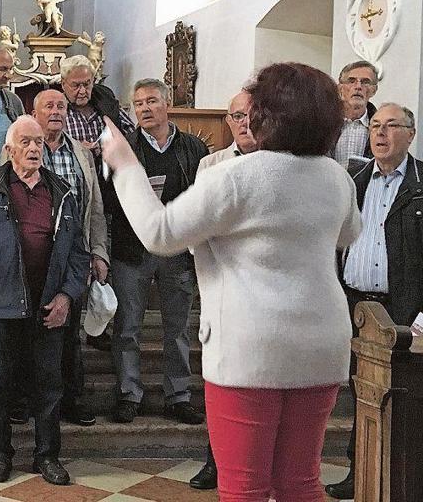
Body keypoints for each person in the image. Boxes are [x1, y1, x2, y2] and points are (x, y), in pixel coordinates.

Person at [100, 62, 361, 501]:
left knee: (244, 487)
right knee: (300, 482)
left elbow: (160, 233)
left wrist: (125, 163)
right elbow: (348, 233)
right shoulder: (335, 176)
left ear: (269, 114)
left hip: (251, 347)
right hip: (321, 344)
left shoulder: (235, 176)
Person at [0, 116, 90, 486]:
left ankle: (47, 456)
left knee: (49, 385)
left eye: (38, 143)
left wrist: (66, 296)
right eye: (25, 142)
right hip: (0, 304)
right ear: (10, 149)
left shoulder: (62, 192)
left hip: (48, 305)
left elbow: (79, 254)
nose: (33, 149)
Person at [326, 103, 423, 500]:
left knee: (404, 398)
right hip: (353, 306)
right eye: (375, 127)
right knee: (360, 391)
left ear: (410, 134)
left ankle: (403, 478)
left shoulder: (421, 182)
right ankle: (361, 469)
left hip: (401, 310)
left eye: (391, 126)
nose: (380, 134)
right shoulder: (355, 178)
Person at [109, 78, 207, 426]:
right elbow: (109, 200)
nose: (144, 109)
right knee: (127, 326)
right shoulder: (125, 147)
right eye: (138, 104)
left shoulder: (193, 148)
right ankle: (128, 393)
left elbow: (203, 198)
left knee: (177, 328)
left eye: (151, 101)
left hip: (177, 250)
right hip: (131, 250)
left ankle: (178, 395)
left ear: (167, 104)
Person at [188, 89, 259, 492]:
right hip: (221, 287)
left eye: (251, 114)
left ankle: (250, 465)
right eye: (237, 116)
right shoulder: (210, 165)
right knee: (218, 377)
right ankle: (214, 461)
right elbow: (201, 226)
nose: (245, 122)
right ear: (228, 122)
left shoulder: (280, 165)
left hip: (264, 292)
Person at [28, 89, 108, 427]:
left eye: (61, 106)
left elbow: (96, 207)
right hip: (34, 252)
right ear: (35, 113)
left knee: (69, 331)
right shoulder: (24, 147)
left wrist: (99, 251)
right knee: (31, 329)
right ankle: (28, 398)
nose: (57, 111)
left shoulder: (80, 152)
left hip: (73, 252)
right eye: (49, 106)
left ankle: (71, 399)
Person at [59, 54, 135, 352]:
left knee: (103, 259)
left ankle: (98, 326)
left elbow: (131, 135)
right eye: (75, 85)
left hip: (109, 188)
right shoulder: (59, 110)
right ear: (63, 83)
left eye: (87, 84)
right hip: (74, 194)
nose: (82, 91)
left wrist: (109, 147)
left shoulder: (107, 107)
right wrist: (80, 149)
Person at [330, 60, 379, 167]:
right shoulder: (323, 122)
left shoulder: (381, 127)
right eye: (351, 81)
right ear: (340, 88)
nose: (358, 86)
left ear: (374, 90)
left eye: (365, 82)